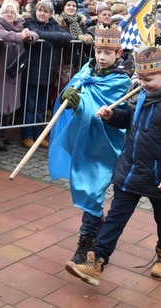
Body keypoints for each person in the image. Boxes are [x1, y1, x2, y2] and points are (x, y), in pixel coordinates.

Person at [65, 46, 161, 285]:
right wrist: (112, 117)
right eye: (140, 79)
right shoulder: (145, 93)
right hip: (131, 169)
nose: (143, 84)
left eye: (148, 79)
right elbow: (133, 121)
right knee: (116, 217)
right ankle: (97, 261)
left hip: (159, 175)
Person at [49, 25, 134, 265]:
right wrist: (68, 94)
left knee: (95, 188)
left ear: (118, 53)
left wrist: (80, 104)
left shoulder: (121, 80)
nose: (102, 57)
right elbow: (75, 89)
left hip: (107, 141)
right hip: (84, 138)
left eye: (108, 52)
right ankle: (95, 227)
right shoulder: (87, 69)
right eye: (99, 51)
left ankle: (86, 239)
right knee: (86, 184)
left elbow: (98, 108)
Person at [0, 0, 36, 152]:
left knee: (8, 107)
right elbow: (1, 34)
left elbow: (33, 35)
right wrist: (21, 37)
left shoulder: (20, 26)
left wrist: (30, 36)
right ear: (2, 13)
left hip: (13, 72)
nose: (10, 14)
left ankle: (1, 138)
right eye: (7, 11)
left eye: (12, 12)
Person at [20, 0, 72, 147]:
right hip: (31, 71)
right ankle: (27, 135)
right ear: (36, 10)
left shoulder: (54, 24)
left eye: (46, 11)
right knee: (29, 105)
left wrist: (42, 35)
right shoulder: (29, 22)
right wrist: (48, 35)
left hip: (47, 72)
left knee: (41, 107)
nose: (42, 14)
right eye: (40, 10)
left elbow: (66, 37)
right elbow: (32, 32)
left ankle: (38, 134)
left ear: (50, 14)